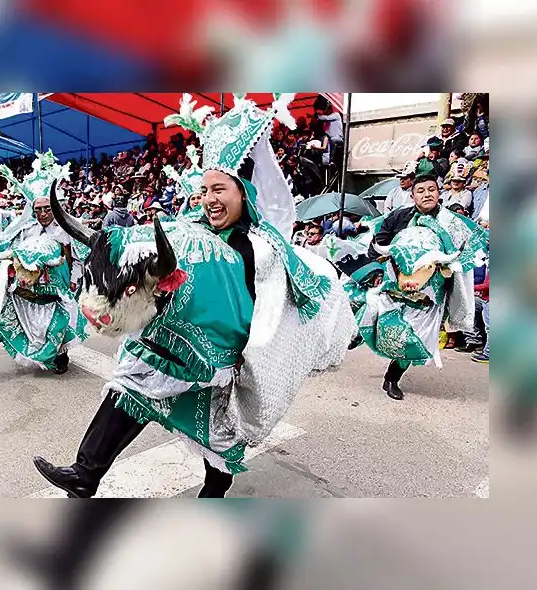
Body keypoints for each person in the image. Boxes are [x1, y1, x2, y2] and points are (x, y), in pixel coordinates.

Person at [32, 94, 354, 498]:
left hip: (221, 356)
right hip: (173, 342)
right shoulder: (190, 227)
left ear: (245, 193)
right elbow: (149, 250)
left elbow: (270, 315)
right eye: (204, 190)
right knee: (130, 388)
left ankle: (214, 494)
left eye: (219, 189)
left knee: (217, 436)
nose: (209, 199)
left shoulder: (261, 248)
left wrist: (247, 359)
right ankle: (85, 473)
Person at [357, 174, 489, 400]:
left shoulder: (453, 223)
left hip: (430, 293)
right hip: (395, 283)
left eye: (432, 189)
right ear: (412, 195)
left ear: (439, 193)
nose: (427, 194)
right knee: (378, 314)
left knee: (414, 338)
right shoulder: (397, 216)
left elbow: (473, 247)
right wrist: (377, 272)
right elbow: (378, 243)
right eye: (421, 191)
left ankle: (392, 378)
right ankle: (359, 332)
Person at [0, 152, 88, 374]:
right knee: (10, 319)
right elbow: (14, 255)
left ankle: (60, 357)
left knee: (56, 324)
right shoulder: (26, 230)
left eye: (47, 208)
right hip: (26, 285)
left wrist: (75, 281)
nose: (42, 213)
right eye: (38, 209)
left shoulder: (66, 231)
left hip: (57, 286)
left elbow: (76, 259)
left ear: (55, 208)